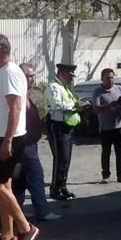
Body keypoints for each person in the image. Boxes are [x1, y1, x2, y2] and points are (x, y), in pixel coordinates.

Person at [0, 34, 39, 240]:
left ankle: (26, 228)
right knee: (5, 187)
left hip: (9, 139)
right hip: (2, 138)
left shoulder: (11, 72)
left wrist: (7, 141)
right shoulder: (3, 73)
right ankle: (7, 236)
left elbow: (15, 108)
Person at [12, 63, 61, 221]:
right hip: (23, 144)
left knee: (21, 179)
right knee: (35, 177)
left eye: (33, 76)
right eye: (28, 76)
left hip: (30, 143)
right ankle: (42, 211)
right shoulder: (16, 95)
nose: (31, 79)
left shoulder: (31, 94)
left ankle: (18, 213)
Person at [45, 62, 85, 200]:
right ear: (62, 73)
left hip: (67, 126)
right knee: (60, 159)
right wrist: (74, 105)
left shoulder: (65, 87)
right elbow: (56, 105)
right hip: (58, 126)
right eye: (69, 75)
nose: (71, 79)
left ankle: (63, 186)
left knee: (66, 159)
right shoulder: (53, 87)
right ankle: (55, 189)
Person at [93, 68, 121, 184]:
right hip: (106, 128)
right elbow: (95, 109)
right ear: (102, 79)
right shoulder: (98, 92)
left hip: (119, 126)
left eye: (112, 77)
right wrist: (109, 105)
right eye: (107, 78)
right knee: (106, 153)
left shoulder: (119, 88)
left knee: (120, 152)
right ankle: (106, 175)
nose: (110, 80)